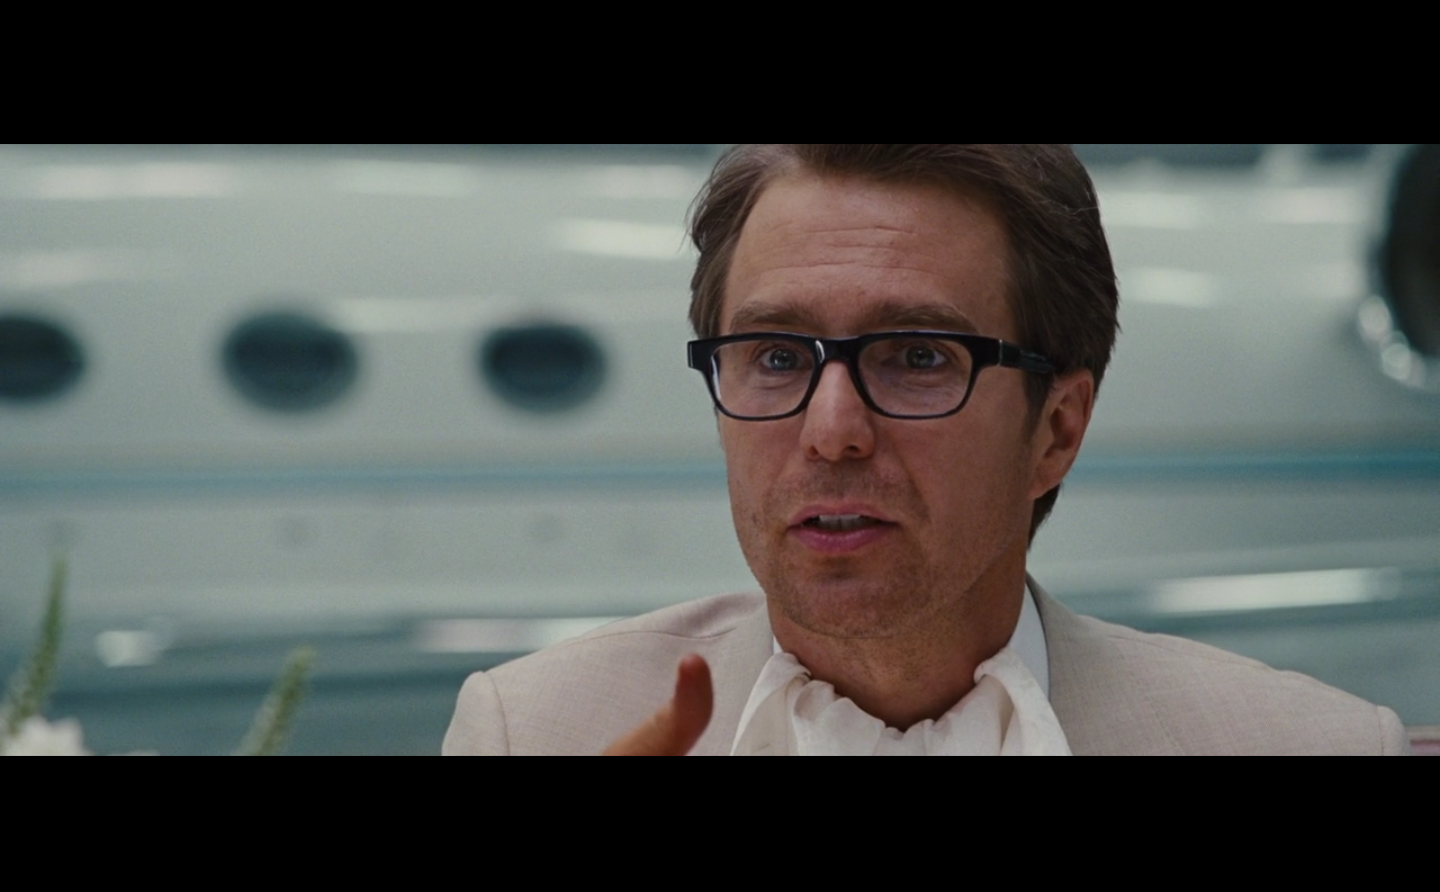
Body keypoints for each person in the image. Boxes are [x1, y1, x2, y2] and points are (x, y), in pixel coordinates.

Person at [444, 144, 1409, 756]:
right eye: (776, 357)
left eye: (916, 358)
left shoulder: (1310, 744)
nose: (831, 431)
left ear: (1056, 430)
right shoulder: (532, 731)